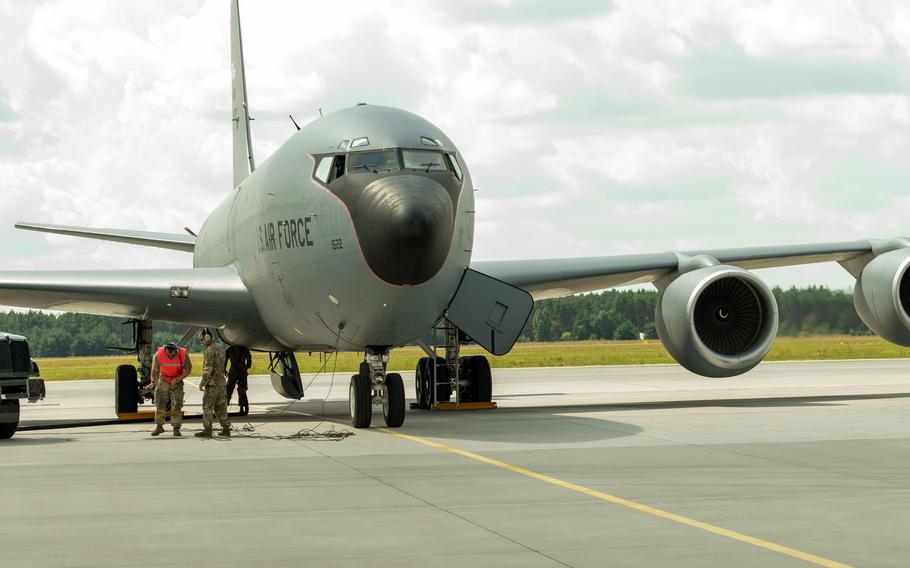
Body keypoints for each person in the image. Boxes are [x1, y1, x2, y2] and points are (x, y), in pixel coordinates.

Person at [149, 340, 191, 437]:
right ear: (165, 350)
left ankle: (176, 428)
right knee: (160, 403)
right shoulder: (158, 354)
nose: (171, 356)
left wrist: (178, 379)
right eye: (169, 354)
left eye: (173, 354)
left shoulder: (183, 354)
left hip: (177, 381)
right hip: (163, 380)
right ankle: (159, 426)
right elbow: (154, 370)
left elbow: (188, 370)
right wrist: (153, 382)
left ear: (176, 350)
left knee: (177, 404)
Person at [196, 328, 231, 438]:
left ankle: (207, 430)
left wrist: (202, 382)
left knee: (207, 407)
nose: (201, 342)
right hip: (221, 383)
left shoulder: (209, 350)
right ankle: (226, 428)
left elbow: (208, 369)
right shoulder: (220, 348)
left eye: (201, 339)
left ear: (207, 338)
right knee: (221, 406)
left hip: (212, 383)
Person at [225, 343, 252, 415]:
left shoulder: (229, 350)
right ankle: (242, 408)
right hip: (242, 372)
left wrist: (224, 370)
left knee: (229, 390)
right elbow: (249, 361)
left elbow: (225, 361)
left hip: (233, 371)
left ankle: (224, 407)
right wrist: (245, 367)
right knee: (241, 390)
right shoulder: (245, 350)